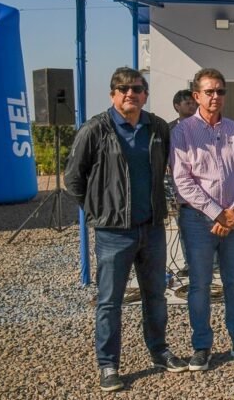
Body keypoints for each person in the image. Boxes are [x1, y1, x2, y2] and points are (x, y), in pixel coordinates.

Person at [65, 67, 187, 392]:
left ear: (145, 94)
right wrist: (99, 210)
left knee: (156, 296)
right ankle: (108, 364)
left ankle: (159, 351)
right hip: (113, 233)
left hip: (152, 228)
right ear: (113, 95)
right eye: (122, 89)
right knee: (109, 302)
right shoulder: (95, 129)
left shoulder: (157, 127)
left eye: (136, 88)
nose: (129, 93)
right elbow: (73, 179)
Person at [170, 68, 234, 370]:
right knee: (200, 285)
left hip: (233, 219)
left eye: (220, 91)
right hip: (198, 220)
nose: (215, 97)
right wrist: (216, 213)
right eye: (209, 91)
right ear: (196, 95)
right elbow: (182, 181)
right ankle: (202, 346)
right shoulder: (183, 132)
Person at [168, 88, 197, 277]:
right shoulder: (168, 129)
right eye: (187, 103)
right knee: (184, 226)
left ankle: (213, 262)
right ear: (177, 106)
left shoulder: (204, 126)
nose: (192, 106)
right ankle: (189, 263)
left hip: (204, 185)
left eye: (193, 103)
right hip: (179, 186)